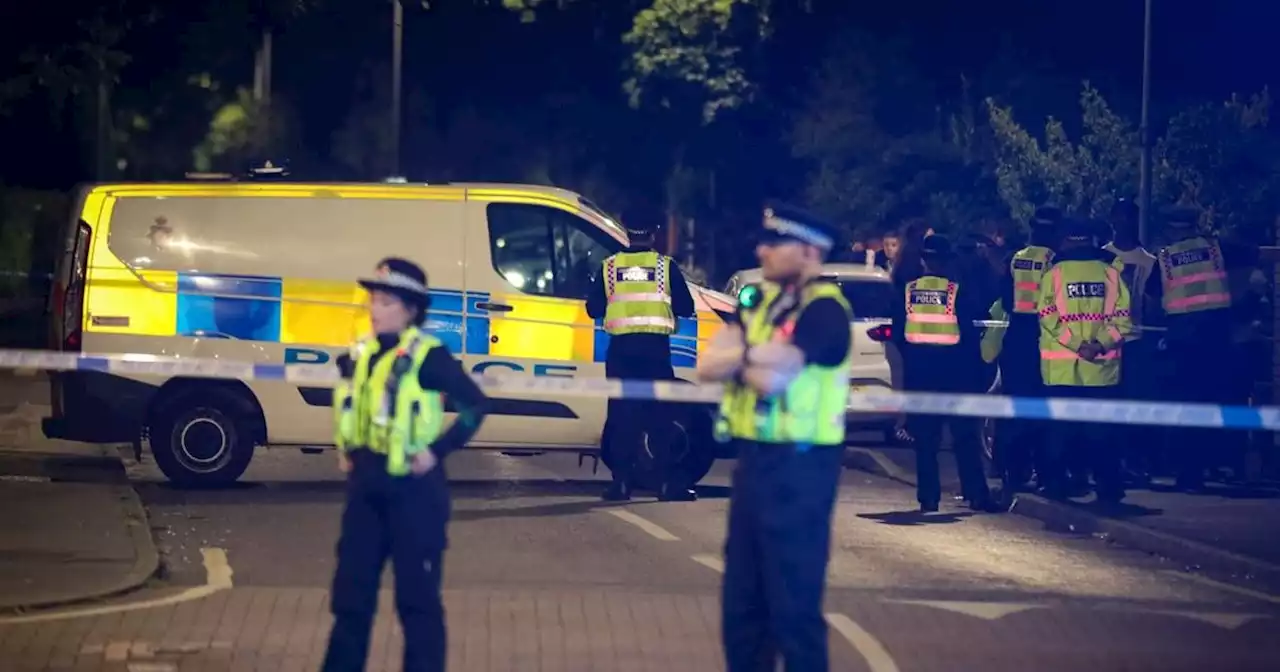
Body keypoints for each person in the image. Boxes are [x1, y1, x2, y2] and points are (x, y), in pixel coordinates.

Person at [697, 202, 851, 672]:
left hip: (800, 473)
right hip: (753, 468)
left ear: (807, 250)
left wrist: (743, 357)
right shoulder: (761, 302)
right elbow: (706, 366)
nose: (760, 249)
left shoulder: (826, 311)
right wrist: (757, 356)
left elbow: (774, 380)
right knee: (742, 615)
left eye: (774, 242)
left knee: (793, 615)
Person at [323, 258, 490, 672]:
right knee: (351, 600)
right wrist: (349, 447)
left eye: (385, 301)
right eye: (373, 300)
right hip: (366, 490)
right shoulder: (359, 354)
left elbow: (475, 406)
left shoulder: (429, 358)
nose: (374, 309)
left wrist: (437, 451)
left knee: (417, 605)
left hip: (415, 496)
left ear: (411, 309)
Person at [586, 210, 697, 501]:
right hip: (655, 352)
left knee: (622, 416)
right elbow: (686, 307)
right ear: (654, 231)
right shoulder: (664, 267)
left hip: (621, 352)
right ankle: (664, 485)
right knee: (660, 417)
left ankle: (621, 484)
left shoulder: (609, 267)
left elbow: (592, 308)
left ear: (626, 230)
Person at [891, 234, 996, 512]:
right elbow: (971, 334)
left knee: (926, 441)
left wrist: (915, 360)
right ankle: (976, 494)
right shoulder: (956, 291)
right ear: (947, 260)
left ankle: (929, 498)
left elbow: (900, 333)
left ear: (924, 260)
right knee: (965, 438)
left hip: (921, 375)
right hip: (955, 375)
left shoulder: (908, 290)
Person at [1037, 219, 1131, 503]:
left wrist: (1078, 345)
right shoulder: (1111, 274)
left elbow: (1049, 317)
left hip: (1062, 369)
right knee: (1102, 433)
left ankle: (1056, 486)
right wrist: (1099, 344)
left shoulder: (1054, 275)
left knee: (1060, 432)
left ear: (1065, 241)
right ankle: (1108, 488)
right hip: (1101, 370)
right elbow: (1123, 320)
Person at [1154, 205, 1236, 490]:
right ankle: (1215, 464)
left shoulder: (1165, 258)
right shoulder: (1215, 249)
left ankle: (1190, 473)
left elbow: (1153, 294)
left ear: (1172, 229)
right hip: (1216, 341)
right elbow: (1260, 254)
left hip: (1182, 344)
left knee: (1185, 408)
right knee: (1213, 403)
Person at [991, 205, 1059, 492]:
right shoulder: (1056, 260)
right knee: (1043, 411)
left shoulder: (1015, 259)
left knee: (1015, 408)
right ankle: (1045, 475)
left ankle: (1010, 471)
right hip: (1045, 340)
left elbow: (1005, 300)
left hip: (1016, 339)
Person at [1102, 199, 1160, 482]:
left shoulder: (1148, 262)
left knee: (1134, 403)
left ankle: (1134, 461)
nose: (1123, 223)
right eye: (1119, 217)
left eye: (1129, 217)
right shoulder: (1099, 257)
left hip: (1135, 340)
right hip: (1100, 341)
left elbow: (1153, 303)